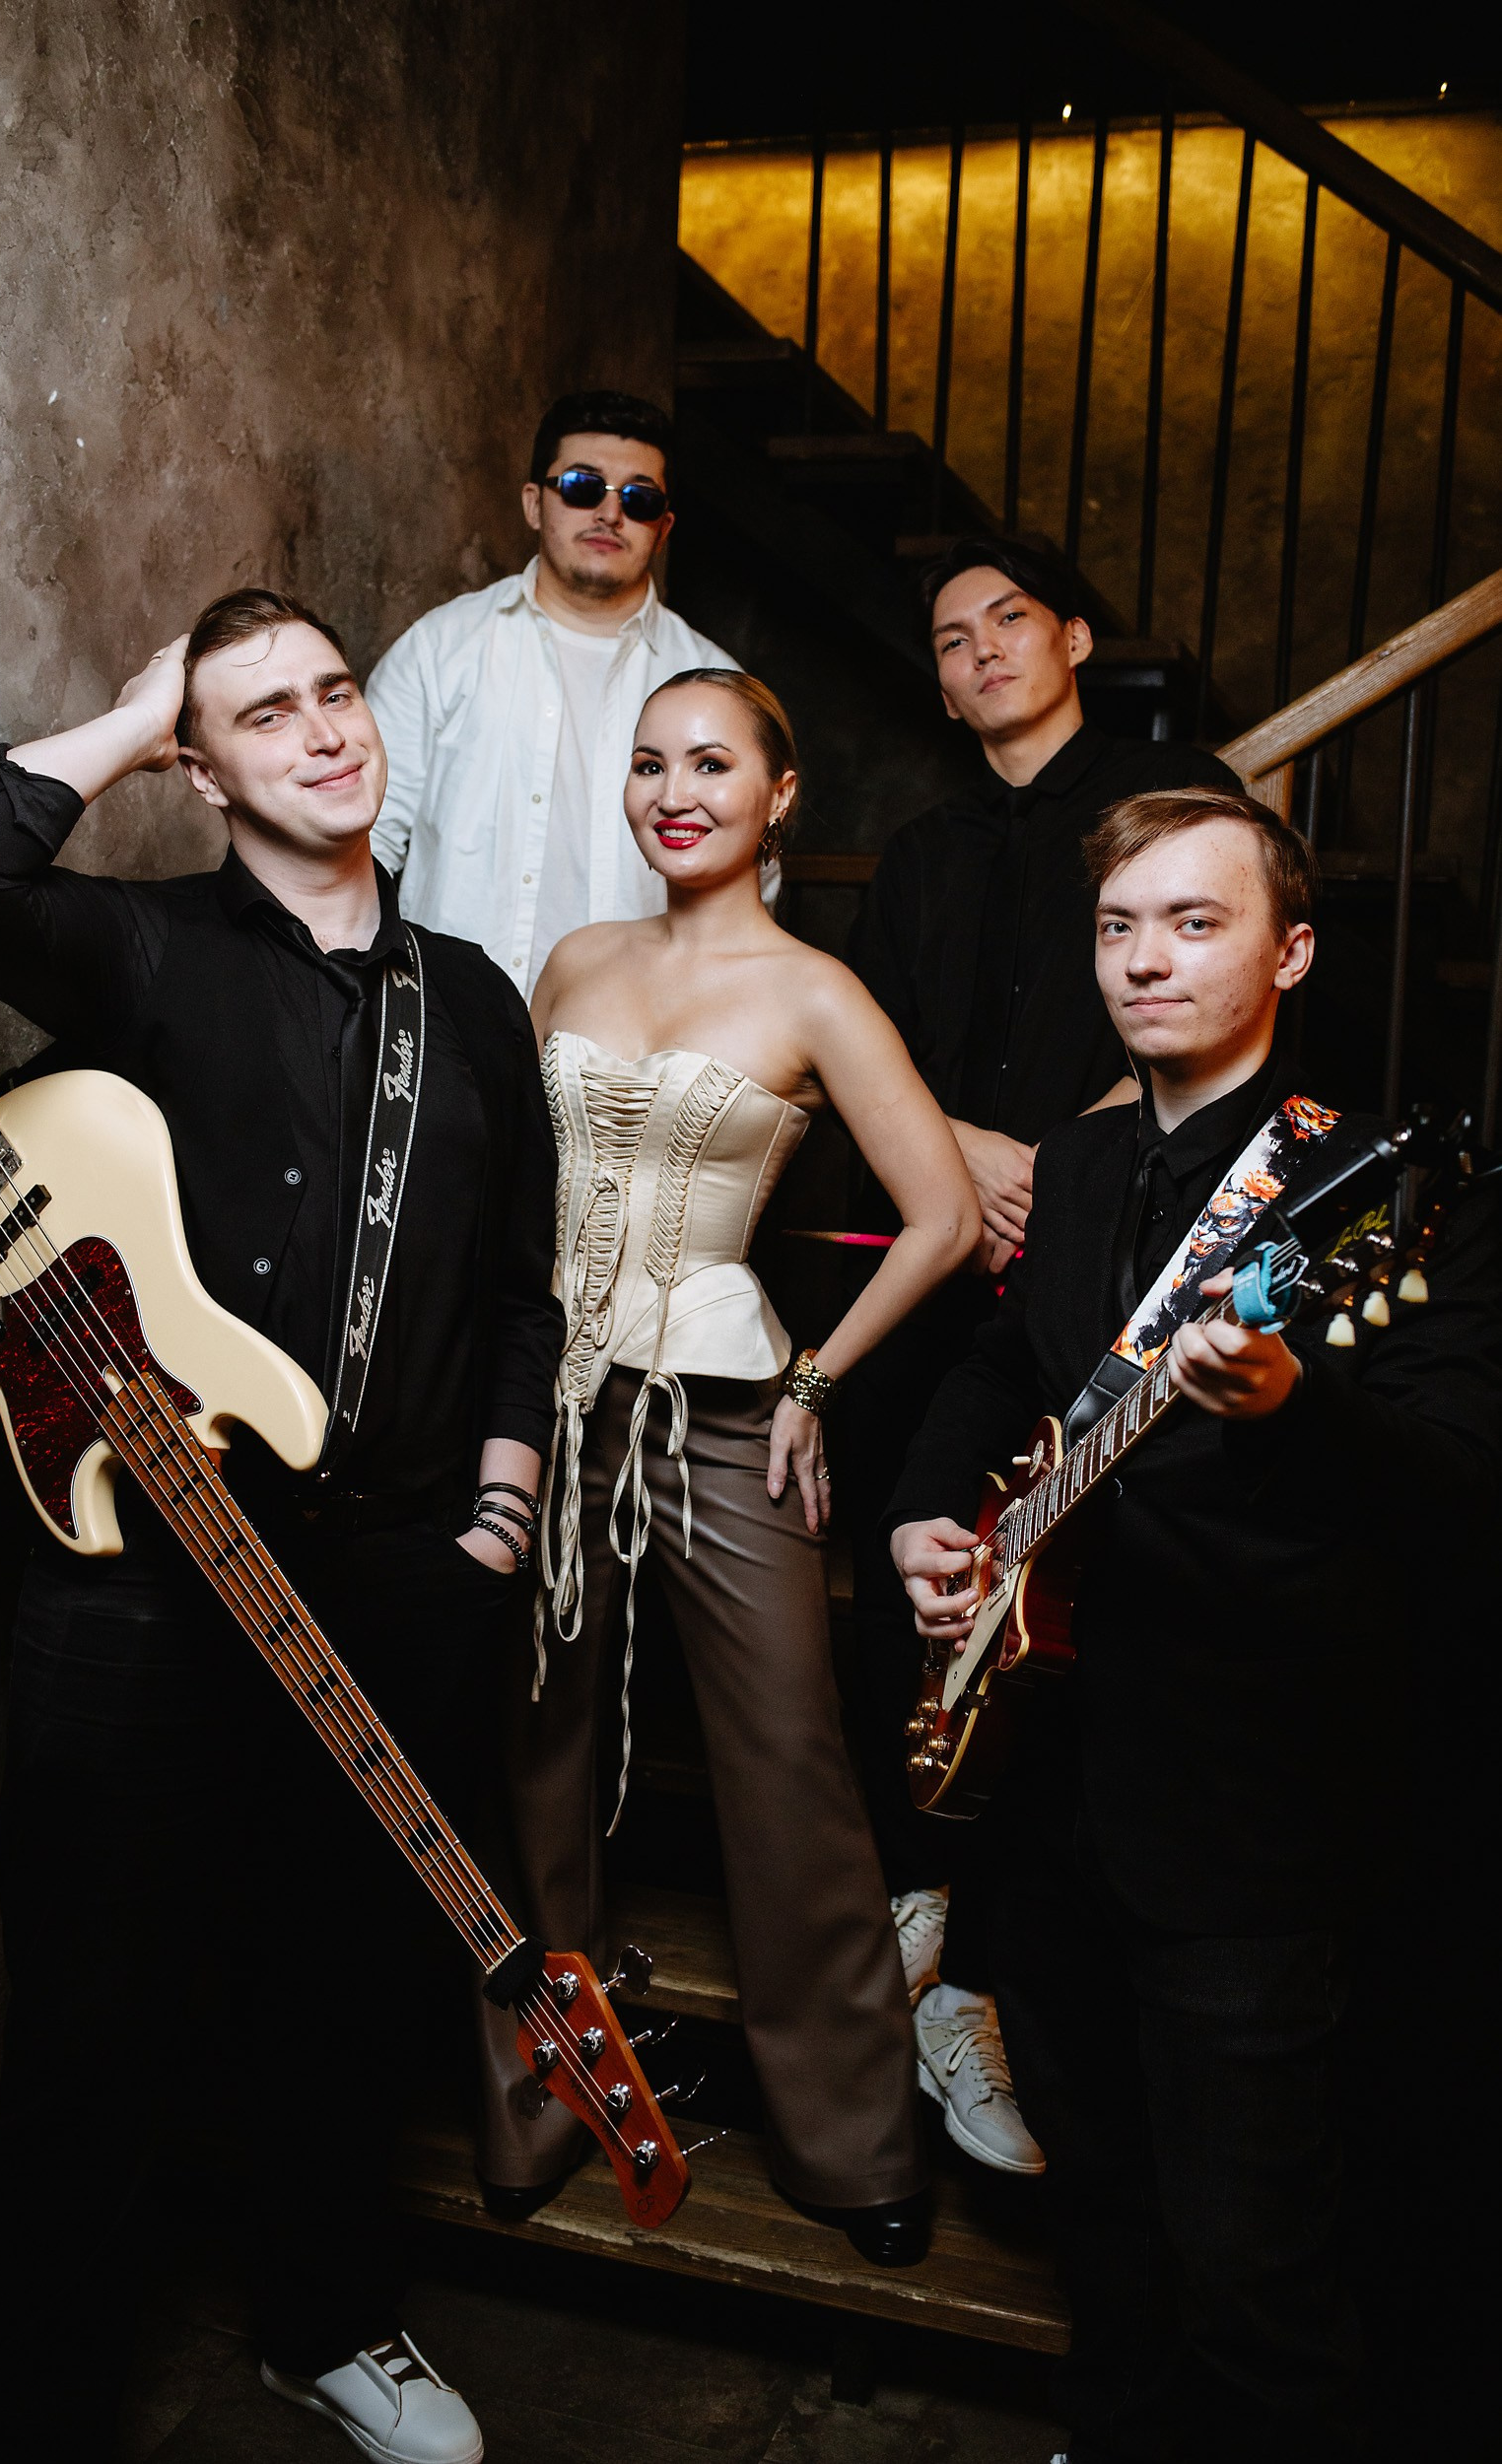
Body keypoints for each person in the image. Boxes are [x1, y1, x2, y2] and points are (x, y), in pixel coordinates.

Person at [0, 590, 566, 2464]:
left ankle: (325, 2323)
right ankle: (35, 2406)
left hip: (396, 1567)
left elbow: (521, 1289)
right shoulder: (146, 949)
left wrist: (498, 1515)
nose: (325, 730)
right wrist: (130, 719)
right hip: (142, 1579)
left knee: (344, 1985)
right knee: (93, 2009)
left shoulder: (472, 999)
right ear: (202, 767)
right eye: (263, 714)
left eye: (335, 692)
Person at [887, 787, 1502, 2463]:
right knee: (1101, 2209)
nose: (1142, 960)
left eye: (1192, 921)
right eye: (1116, 927)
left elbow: (1459, 1482)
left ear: (1288, 953)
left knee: (1256, 2263)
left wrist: (1295, 1403)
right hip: (1051, 1791)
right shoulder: (1082, 1161)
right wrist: (927, 1513)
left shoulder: (1378, 1188)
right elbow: (1002, 1371)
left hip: (1248, 1815)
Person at [476, 668, 983, 2267]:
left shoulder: (817, 993)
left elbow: (944, 1216)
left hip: (717, 1407)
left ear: (779, 796)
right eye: (647, 763)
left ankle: (850, 2142)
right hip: (552, 1400)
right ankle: (539, 2104)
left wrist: (817, 1381)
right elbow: (507, 1189)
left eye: (709, 763)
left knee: (787, 1760)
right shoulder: (575, 958)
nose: (671, 790)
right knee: (532, 1754)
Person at [843, 536, 1244, 2174]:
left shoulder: (1166, 799)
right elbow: (862, 1043)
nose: (979, 651)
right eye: (949, 638)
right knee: (902, 1536)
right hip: (937, 1237)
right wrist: (965, 1159)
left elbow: (1185, 1013)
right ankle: (908, 1880)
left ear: (1073, 638)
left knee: (1066, 1601)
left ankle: (988, 1960)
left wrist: (1058, 1166)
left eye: (1006, 619)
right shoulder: (921, 849)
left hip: (1104, 1236)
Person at [366, 388, 737, 994]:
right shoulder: (439, 650)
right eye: (583, 487)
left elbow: (748, 882)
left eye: (639, 498)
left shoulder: (717, 684)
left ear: (664, 527)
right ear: (535, 503)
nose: (609, 514)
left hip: (643, 1029)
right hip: (451, 1021)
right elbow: (364, 841)